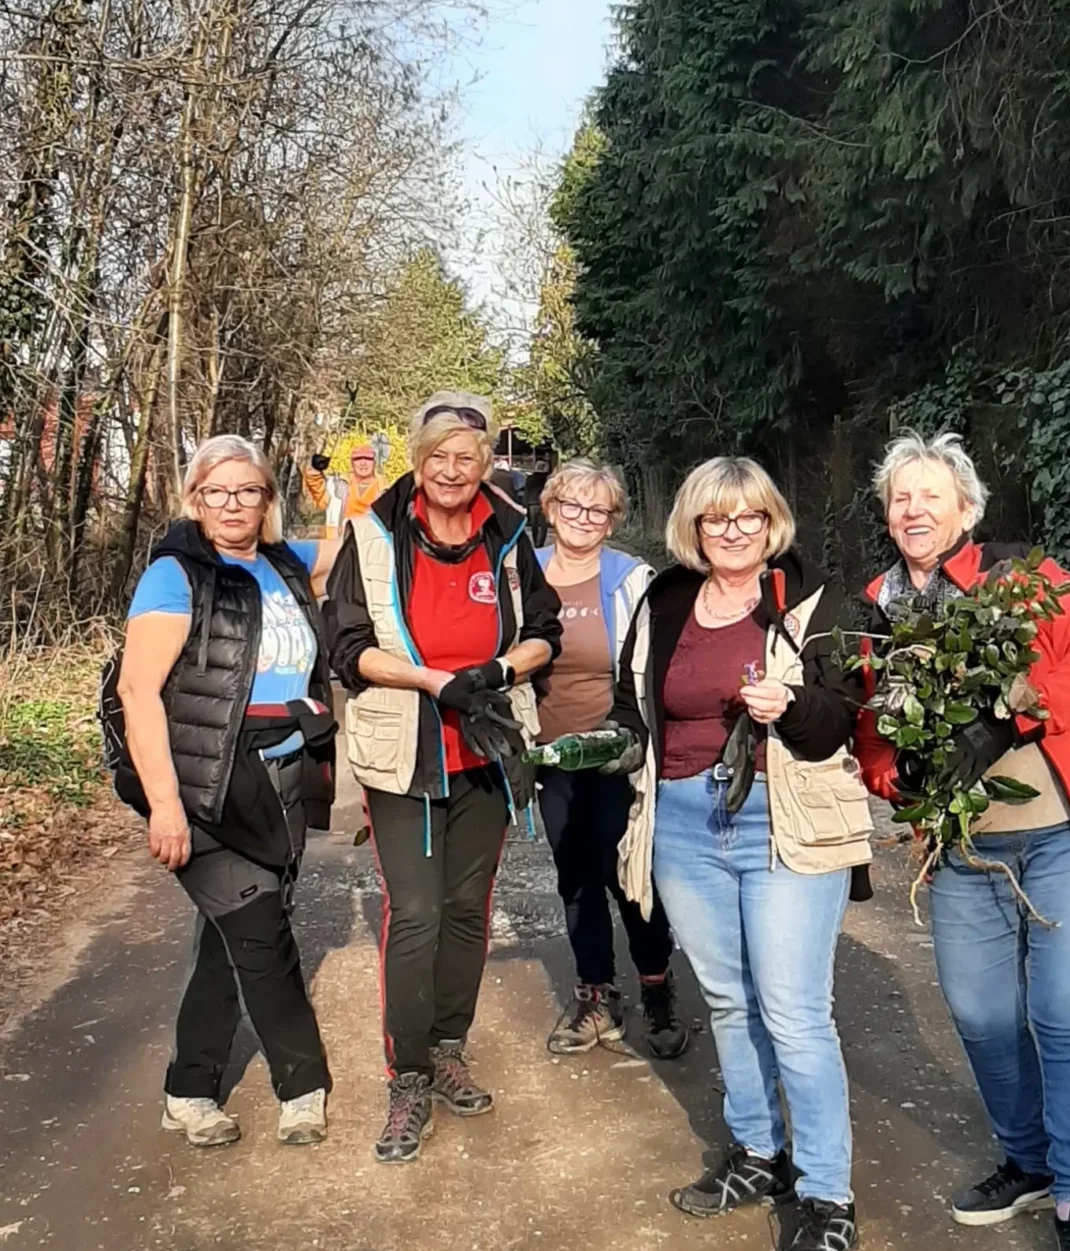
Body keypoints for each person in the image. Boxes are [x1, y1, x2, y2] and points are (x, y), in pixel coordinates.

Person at [854, 431, 1070, 1251]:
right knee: (982, 1014)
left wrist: (1013, 712)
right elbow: (874, 732)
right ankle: (1026, 1158)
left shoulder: (1022, 579)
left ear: (965, 509)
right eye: (899, 497)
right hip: (966, 848)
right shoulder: (878, 609)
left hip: (1067, 836)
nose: (913, 509)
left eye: (930, 494)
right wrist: (896, 774)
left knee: (1065, 1014)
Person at [611, 456, 873, 1251]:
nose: (733, 532)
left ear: (772, 525)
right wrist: (611, 754)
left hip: (782, 822)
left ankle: (829, 1199)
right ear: (693, 526)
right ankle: (759, 1151)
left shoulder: (813, 602)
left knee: (795, 1012)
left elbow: (841, 721)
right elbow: (634, 703)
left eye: (750, 518)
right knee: (727, 997)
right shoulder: (665, 600)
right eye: (717, 520)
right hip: (684, 824)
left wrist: (790, 708)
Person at [323, 390, 562, 1164]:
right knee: (416, 912)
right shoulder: (373, 534)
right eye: (439, 456)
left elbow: (545, 634)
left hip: (486, 752)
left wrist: (494, 671)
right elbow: (348, 648)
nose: (453, 469)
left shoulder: (510, 533)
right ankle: (409, 1076)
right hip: (405, 754)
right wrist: (434, 682)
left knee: (467, 909)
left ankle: (451, 1048)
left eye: (468, 456)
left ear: (485, 462)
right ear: (417, 462)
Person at [114, 435, 340, 1148]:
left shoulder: (284, 563)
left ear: (268, 500)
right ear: (193, 499)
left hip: (280, 777)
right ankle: (303, 1084)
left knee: (228, 938)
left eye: (248, 491)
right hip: (202, 784)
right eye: (216, 491)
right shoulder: (175, 576)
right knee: (260, 929)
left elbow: (362, 538)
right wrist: (166, 805)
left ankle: (188, 1088)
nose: (232, 504)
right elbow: (136, 691)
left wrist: (455, 477)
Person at [534, 458, 687, 1060]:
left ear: (612, 519)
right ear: (551, 508)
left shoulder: (631, 578)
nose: (583, 519)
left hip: (618, 753)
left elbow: (652, 667)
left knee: (630, 874)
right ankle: (597, 996)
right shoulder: (524, 574)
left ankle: (656, 987)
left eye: (597, 510)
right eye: (572, 505)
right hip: (550, 754)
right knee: (575, 878)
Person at [303, 439, 386, 538]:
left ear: (374, 462)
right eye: (358, 459)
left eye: (367, 459)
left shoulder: (386, 491)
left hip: (373, 544)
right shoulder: (336, 486)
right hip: (342, 543)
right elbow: (316, 486)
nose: (363, 463)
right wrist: (315, 468)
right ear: (352, 463)